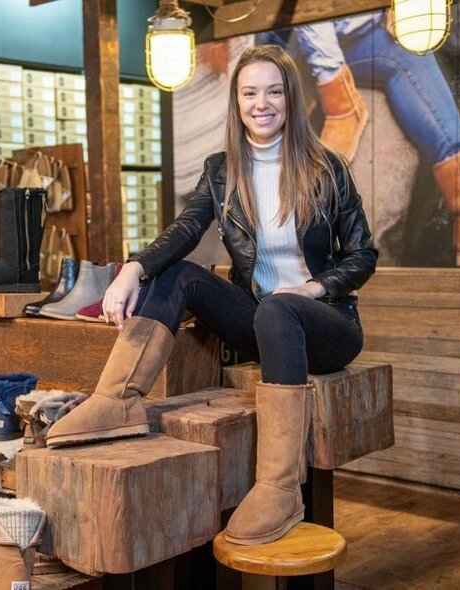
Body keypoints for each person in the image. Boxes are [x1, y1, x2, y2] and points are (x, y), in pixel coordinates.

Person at [45, 45, 377, 546]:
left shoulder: (326, 167)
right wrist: (134, 267)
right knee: (179, 274)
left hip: (326, 324)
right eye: (249, 92)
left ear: (290, 97)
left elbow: (363, 254)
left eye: (273, 91)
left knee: (283, 305)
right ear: (237, 101)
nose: (261, 102)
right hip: (265, 324)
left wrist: (313, 287)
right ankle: (118, 400)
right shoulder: (222, 169)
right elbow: (186, 228)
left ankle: (281, 488)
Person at [263, 13, 460, 266]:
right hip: (310, 39)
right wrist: (335, 89)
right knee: (407, 57)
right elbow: (308, 13)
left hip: (357, 29)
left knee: (412, 49)